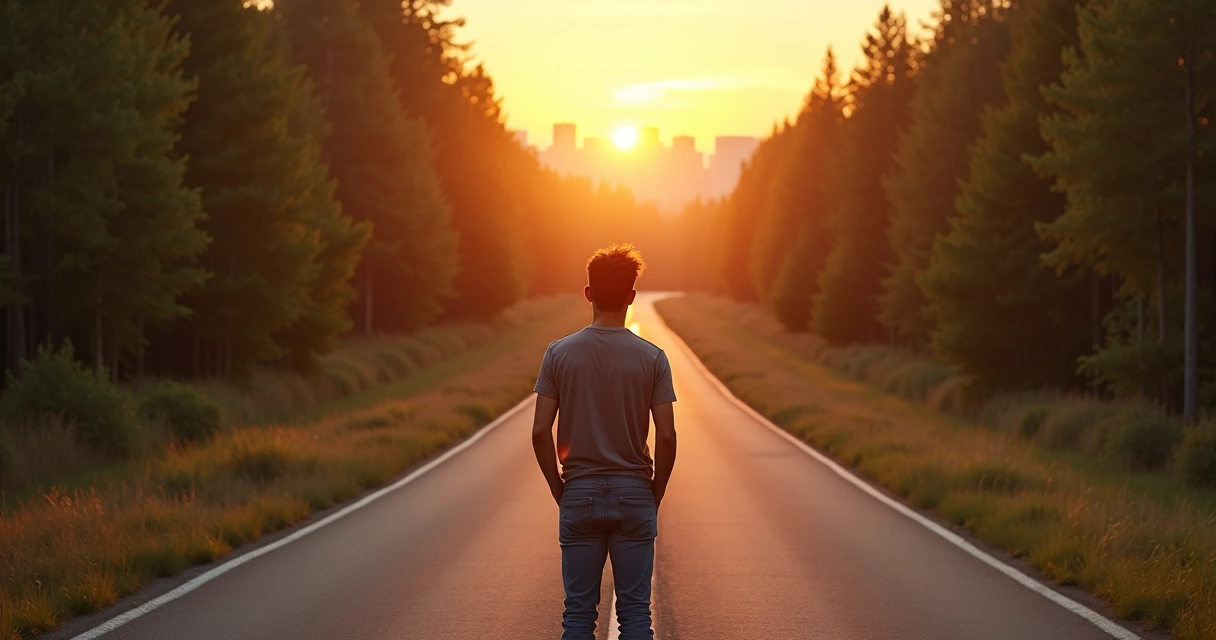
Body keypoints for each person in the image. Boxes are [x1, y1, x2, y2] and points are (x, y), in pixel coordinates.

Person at [531, 244, 678, 640]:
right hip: (634, 492)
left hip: (579, 491)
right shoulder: (653, 358)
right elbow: (665, 433)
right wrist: (655, 491)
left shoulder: (558, 354)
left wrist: (558, 488)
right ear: (632, 296)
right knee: (634, 615)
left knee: (578, 615)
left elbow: (540, 431)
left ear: (588, 293)